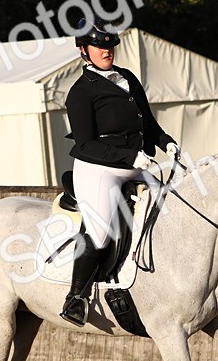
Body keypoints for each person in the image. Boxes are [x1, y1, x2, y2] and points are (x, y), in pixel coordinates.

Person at [60, 19, 180, 326]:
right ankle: (75, 298)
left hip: (136, 164)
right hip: (99, 170)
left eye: (110, 45)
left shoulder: (127, 78)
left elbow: (148, 124)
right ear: (84, 51)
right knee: (100, 230)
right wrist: (130, 156)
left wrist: (166, 142)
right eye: (100, 46)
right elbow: (85, 144)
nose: (107, 50)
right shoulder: (80, 93)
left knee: (174, 202)